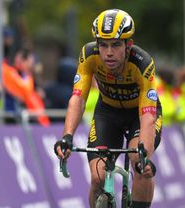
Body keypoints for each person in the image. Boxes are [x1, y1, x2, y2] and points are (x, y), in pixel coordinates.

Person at [54, 9, 162, 208]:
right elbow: (78, 98)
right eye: (103, 45)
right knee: (98, 178)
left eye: (115, 45)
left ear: (128, 45)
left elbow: (148, 115)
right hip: (108, 112)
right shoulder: (88, 55)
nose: (108, 52)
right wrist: (67, 136)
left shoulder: (142, 63)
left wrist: (144, 156)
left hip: (139, 114)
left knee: (139, 163)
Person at [0, 46, 50, 126]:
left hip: (11, 115)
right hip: (2, 116)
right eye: (30, 62)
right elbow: (24, 91)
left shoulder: (19, 74)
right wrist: (28, 74)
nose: (31, 65)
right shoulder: (10, 72)